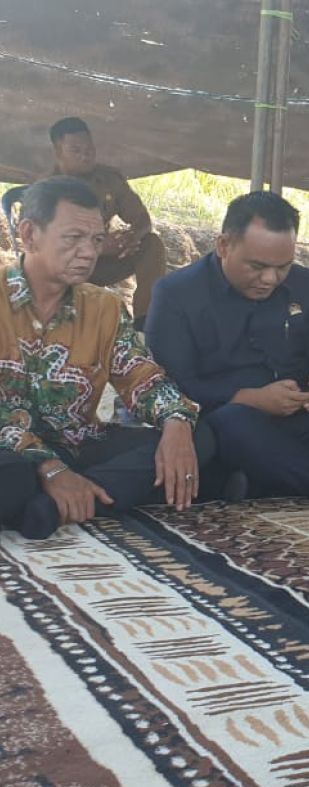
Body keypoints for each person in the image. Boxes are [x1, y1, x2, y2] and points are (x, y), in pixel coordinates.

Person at [145, 191, 309, 501]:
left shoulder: (307, 285)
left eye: (283, 267)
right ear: (223, 246)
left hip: (300, 423)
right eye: (257, 267)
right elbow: (170, 387)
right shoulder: (176, 293)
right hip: (226, 425)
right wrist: (251, 399)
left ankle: (267, 481)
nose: (271, 279)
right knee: (235, 424)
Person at [0, 177, 211, 540]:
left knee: (201, 436)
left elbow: (141, 377)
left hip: (79, 447)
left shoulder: (104, 307)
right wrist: (47, 467)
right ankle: (82, 493)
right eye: (73, 238)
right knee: (13, 477)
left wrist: (176, 420)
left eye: (97, 240)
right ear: (30, 234)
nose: (89, 252)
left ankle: (65, 502)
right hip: (12, 453)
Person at [48, 117, 167, 323]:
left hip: (101, 264)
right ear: (58, 153)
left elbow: (142, 220)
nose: (85, 155)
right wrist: (99, 246)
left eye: (89, 149)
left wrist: (132, 237)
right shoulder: (46, 189)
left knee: (151, 245)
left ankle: (145, 322)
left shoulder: (108, 179)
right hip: (63, 268)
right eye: (76, 150)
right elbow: (48, 247)